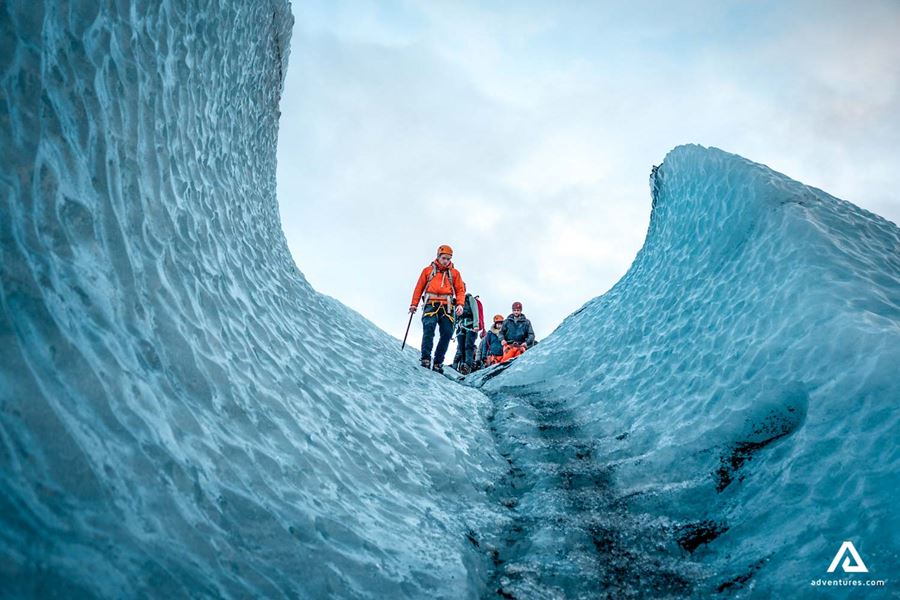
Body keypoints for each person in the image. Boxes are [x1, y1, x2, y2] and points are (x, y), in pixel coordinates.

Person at [409, 245, 466, 374]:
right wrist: (414, 304)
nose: (446, 261)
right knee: (429, 328)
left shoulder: (455, 273)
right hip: (431, 304)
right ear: (438, 256)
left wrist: (460, 304)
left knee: (447, 332)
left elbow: (460, 290)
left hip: (448, 306)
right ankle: (426, 358)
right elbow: (419, 288)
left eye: (448, 259)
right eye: (444, 258)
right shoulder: (427, 271)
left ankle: (438, 362)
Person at [451, 292, 484, 375]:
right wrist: (452, 331)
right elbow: (455, 317)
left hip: (471, 326)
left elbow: (475, 312)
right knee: (461, 347)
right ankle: (462, 366)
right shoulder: (457, 302)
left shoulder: (470, 299)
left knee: (468, 346)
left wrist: (476, 325)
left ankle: (468, 366)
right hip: (461, 327)